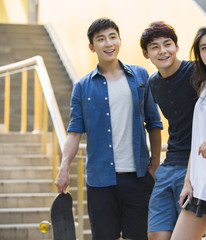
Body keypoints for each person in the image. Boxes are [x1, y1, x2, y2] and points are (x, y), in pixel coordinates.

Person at [55, 18, 163, 240]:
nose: (108, 43)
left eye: (112, 37)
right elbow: (75, 131)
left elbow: (154, 122)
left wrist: (155, 164)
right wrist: (64, 166)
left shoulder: (140, 75)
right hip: (100, 180)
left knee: (140, 236)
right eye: (101, 39)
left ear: (120, 40)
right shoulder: (82, 86)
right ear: (92, 47)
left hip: (139, 177)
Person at [140, 22, 206, 240]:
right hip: (200, 177)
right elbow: (198, 136)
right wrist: (189, 181)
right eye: (204, 49)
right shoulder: (205, 84)